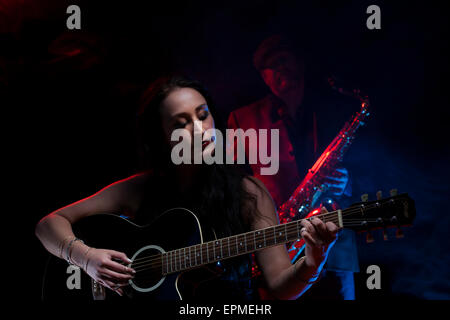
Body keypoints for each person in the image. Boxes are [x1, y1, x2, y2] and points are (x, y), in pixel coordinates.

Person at [35, 75, 339, 300]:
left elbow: (280, 287)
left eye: (203, 115)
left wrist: (313, 262)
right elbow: (48, 224)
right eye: (182, 123)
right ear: (161, 138)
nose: (199, 129)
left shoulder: (250, 193)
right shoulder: (140, 189)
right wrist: (86, 258)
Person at [228, 35, 360, 299]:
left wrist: (350, 179)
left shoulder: (332, 109)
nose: (279, 68)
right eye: (271, 65)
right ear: (263, 77)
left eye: (284, 59)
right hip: (276, 244)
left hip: (334, 242)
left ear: (299, 62)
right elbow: (232, 184)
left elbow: (370, 164)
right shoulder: (241, 118)